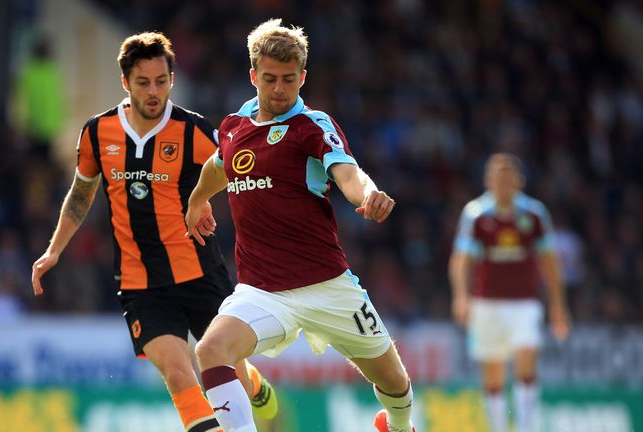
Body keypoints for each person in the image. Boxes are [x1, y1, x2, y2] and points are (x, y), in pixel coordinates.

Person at [31, 32, 276, 432]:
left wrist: (205, 202)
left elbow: (235, 179)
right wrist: (54, 250)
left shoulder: (193, 131)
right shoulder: (97, 133)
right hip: (140, 283)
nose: (153, 91)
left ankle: (249, 380)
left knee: (225, 363)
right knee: (179, 373)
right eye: (143, 83)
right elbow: (80, 194)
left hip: (200, 271)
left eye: (161, 82)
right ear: (126, 83)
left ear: (172, 80)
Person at [185, 19, 416, 432]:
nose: (279, 89)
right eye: (270, 79)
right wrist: (199, 198)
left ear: (302, 77)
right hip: (262, 291)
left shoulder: (312, 126)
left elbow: (348, 173)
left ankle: (400, 427)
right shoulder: (235, 126)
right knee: (211, 349)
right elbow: (219, 165)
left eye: (289, 80)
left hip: (328, 286)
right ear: (253, 75)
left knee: (395, 381)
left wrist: (369, 195)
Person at [448, 153, 571, 432]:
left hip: (525, 303)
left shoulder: (534, 215)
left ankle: (527, 427)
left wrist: (558, 305)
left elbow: (550, 262)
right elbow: (461, 260)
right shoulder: (476, 215)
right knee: (493, 374)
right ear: (488, 181)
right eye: (497, 177)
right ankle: (499, 427)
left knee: (526, 362)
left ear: (519, 182)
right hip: (486, 304)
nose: (503, 183)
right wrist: (461, 296)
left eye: (508, 177)